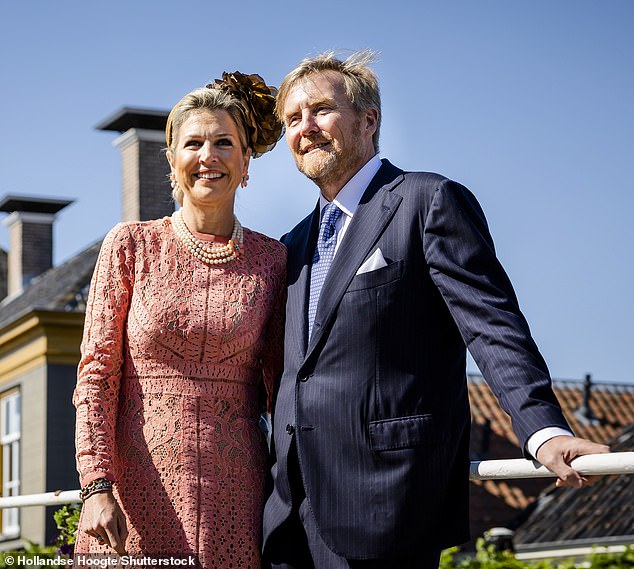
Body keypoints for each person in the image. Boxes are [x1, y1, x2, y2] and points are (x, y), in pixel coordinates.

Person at [262, 50, 609, 569]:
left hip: (384, 503)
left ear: (368, 120)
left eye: (320, 110)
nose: (305, 127)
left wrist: (544, 431)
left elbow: (492, 326)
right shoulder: (290, 246)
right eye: (292, 119)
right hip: (287, 516)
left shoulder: (428, 200)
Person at [73, 71, 285, 568]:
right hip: (130, 497)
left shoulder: (274, 261)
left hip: (237, 501)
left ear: (246, 161)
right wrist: (96, 486)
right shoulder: (129, 245)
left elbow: (283, 390)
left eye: (224, 142)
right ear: (172, 160)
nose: (207, 156)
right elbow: (96, 374)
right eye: (193, 143)